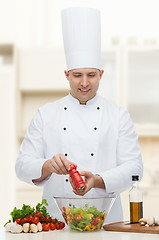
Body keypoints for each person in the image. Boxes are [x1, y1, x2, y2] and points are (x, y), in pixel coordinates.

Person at [15, 7, 143, 224]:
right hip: (56, 224)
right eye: (77, 75)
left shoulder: (118, 116)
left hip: (106, 225)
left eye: (91, 75)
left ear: (101, 74)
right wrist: (46, 166)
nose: (84, 83)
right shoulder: (46, 115)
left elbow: (135, 168)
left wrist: (98, 180)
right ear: (66, 74)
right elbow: (21, 166)